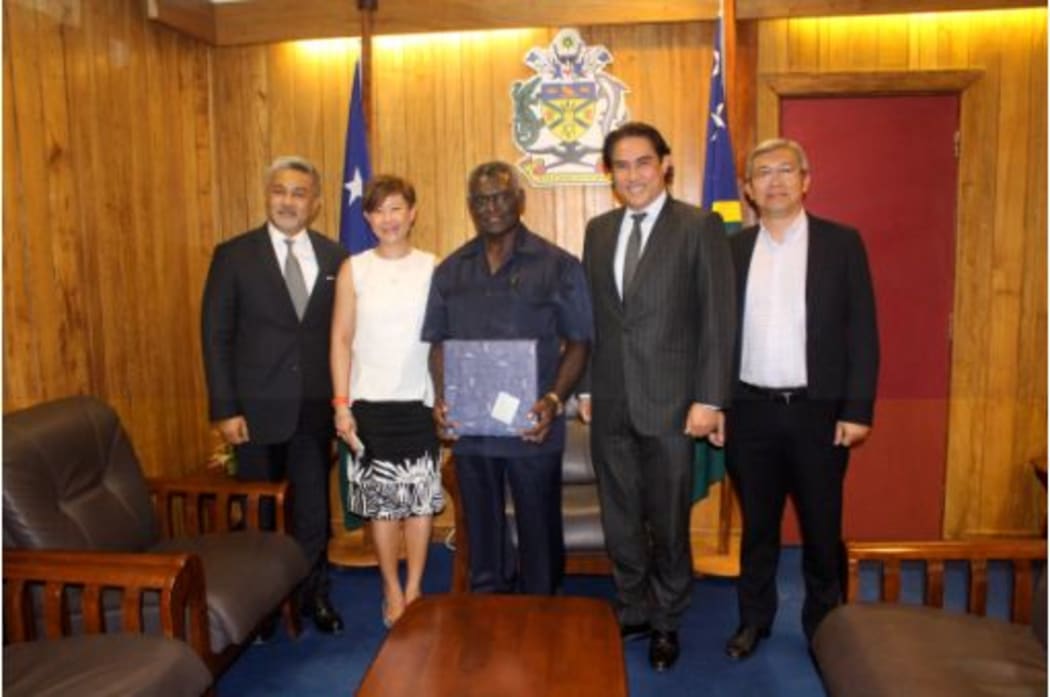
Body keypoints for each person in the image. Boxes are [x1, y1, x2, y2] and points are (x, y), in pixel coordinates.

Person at [580, 121, 736, 671]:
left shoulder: (699, 226)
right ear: (610, 174)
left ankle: (668, 619)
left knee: (667, 520)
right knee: (619, 517)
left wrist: (710, 398)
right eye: (621, 166)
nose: (633, 175)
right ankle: (633, 608)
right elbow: (594, 321)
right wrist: (587, 386)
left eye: (642, 163)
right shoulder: (598, 231)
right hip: (611, 403)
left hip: (673, 404)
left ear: (665, 164)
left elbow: (718, 319)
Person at [717, 138, 879, 659]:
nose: (775, 180)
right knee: (758, 528)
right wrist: (716, 404)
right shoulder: (732, 251)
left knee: (821, 526)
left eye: (786, 170)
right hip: (750, 411)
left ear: (806, 180)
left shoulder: (842, 244)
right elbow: (716, 337)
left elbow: (863, 333)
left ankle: (825, 627)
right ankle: (753, 621)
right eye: (763, 173)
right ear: (748, 189)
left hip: (819, 413)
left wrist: (857, 408)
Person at [421, 161, 592, 596]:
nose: (491, 207)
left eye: (500, 196)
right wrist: (443, 400)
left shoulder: (558, 265)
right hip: (472, 428)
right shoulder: (451, 270)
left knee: (538, 527)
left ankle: (541, 613)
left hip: (533, 425)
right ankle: (488, 612)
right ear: (470, 207)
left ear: (520, 199)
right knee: (482, 534)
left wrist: (554, 401)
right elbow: (438, 344)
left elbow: (579, 343)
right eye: (481, 200)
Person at [201, 155, 347, 635]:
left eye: (299, 193)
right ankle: (261, 609)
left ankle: (313, 597)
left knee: (312, 513)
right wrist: (224, 410)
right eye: (280, 191)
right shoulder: (233, 254)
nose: (288, 201)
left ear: (316, 203)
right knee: (262, 513)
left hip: (312, 408)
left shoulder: (334, 257)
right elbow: (215, 335)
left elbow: (341, 335)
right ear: (267, 196)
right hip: (254, 413)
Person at [329, 175, 442, 628]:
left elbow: (441, 342)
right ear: (368, 218)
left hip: (419, 402)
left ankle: (415, 587)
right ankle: (390, 590)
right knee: (382, 505)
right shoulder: (355, 268)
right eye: (379, 211)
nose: (388, 219)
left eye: (397, 208)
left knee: (417, 502)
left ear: (412, 212)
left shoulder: (434, 266)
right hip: (369, 403)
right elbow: (340, 338)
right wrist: (341, 403)